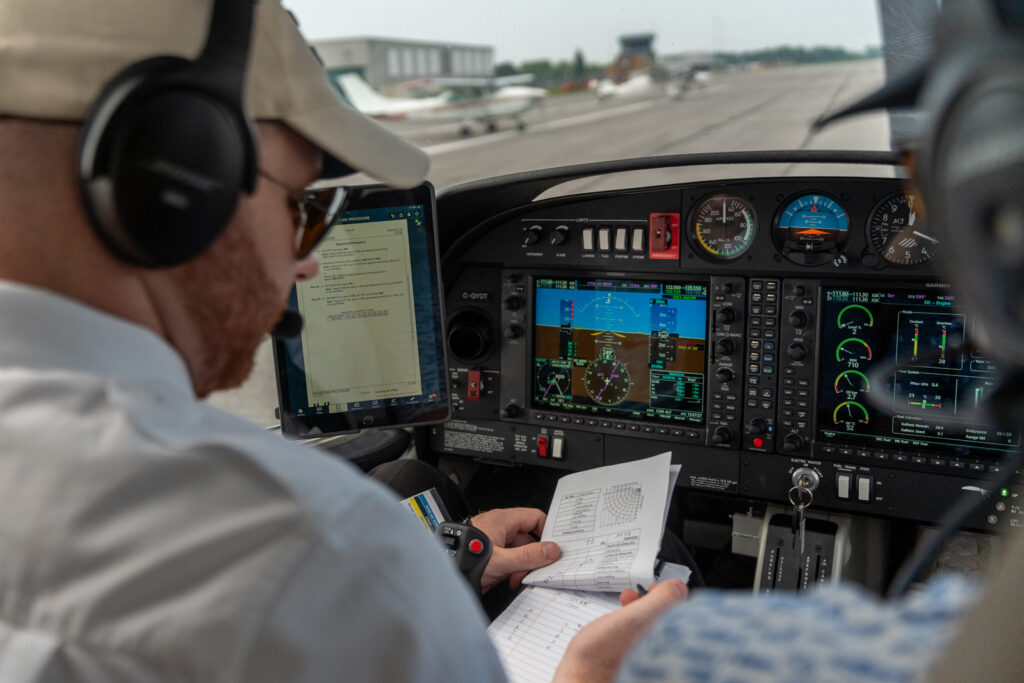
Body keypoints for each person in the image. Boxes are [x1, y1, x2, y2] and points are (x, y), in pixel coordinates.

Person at [0, 0, 686, 681]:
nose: (308, 264)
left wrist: (454, 559)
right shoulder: (304, 547)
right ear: (181, 180)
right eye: (299, 204)